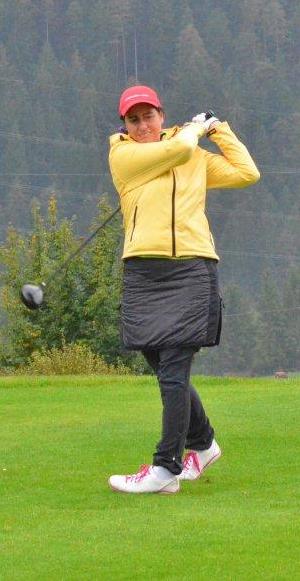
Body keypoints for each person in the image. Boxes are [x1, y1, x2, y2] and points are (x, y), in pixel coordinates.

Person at [106, 85, 260, 494]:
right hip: (143, 272)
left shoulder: (191, 153)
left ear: (160, 115)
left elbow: (247, 172)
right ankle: (204, 444)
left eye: (148, 116)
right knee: (160, 364)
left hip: (192, 268)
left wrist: (218, 129)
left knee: (174, 369)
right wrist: (193, 131)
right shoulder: (123, 155)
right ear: (124, 125)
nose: (142, 125)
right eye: (134, 119)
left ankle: (166, 469)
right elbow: (176, 150)